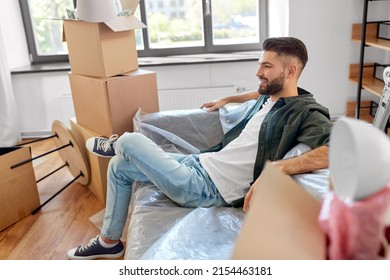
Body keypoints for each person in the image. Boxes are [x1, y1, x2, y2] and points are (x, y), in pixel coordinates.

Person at [67, 37, 332, 260]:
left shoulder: (307, 111)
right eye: (259, 63)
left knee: (129, 141)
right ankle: (109, 241)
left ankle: (116, 143)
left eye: (266, 65)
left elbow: (332, 151)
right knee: (119, 167)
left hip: (206, 188)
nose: (258, 72)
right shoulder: (272, 95)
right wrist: (228, 98)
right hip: (201, 163)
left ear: (291, 71)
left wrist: (277, 169)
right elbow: (257, 92)